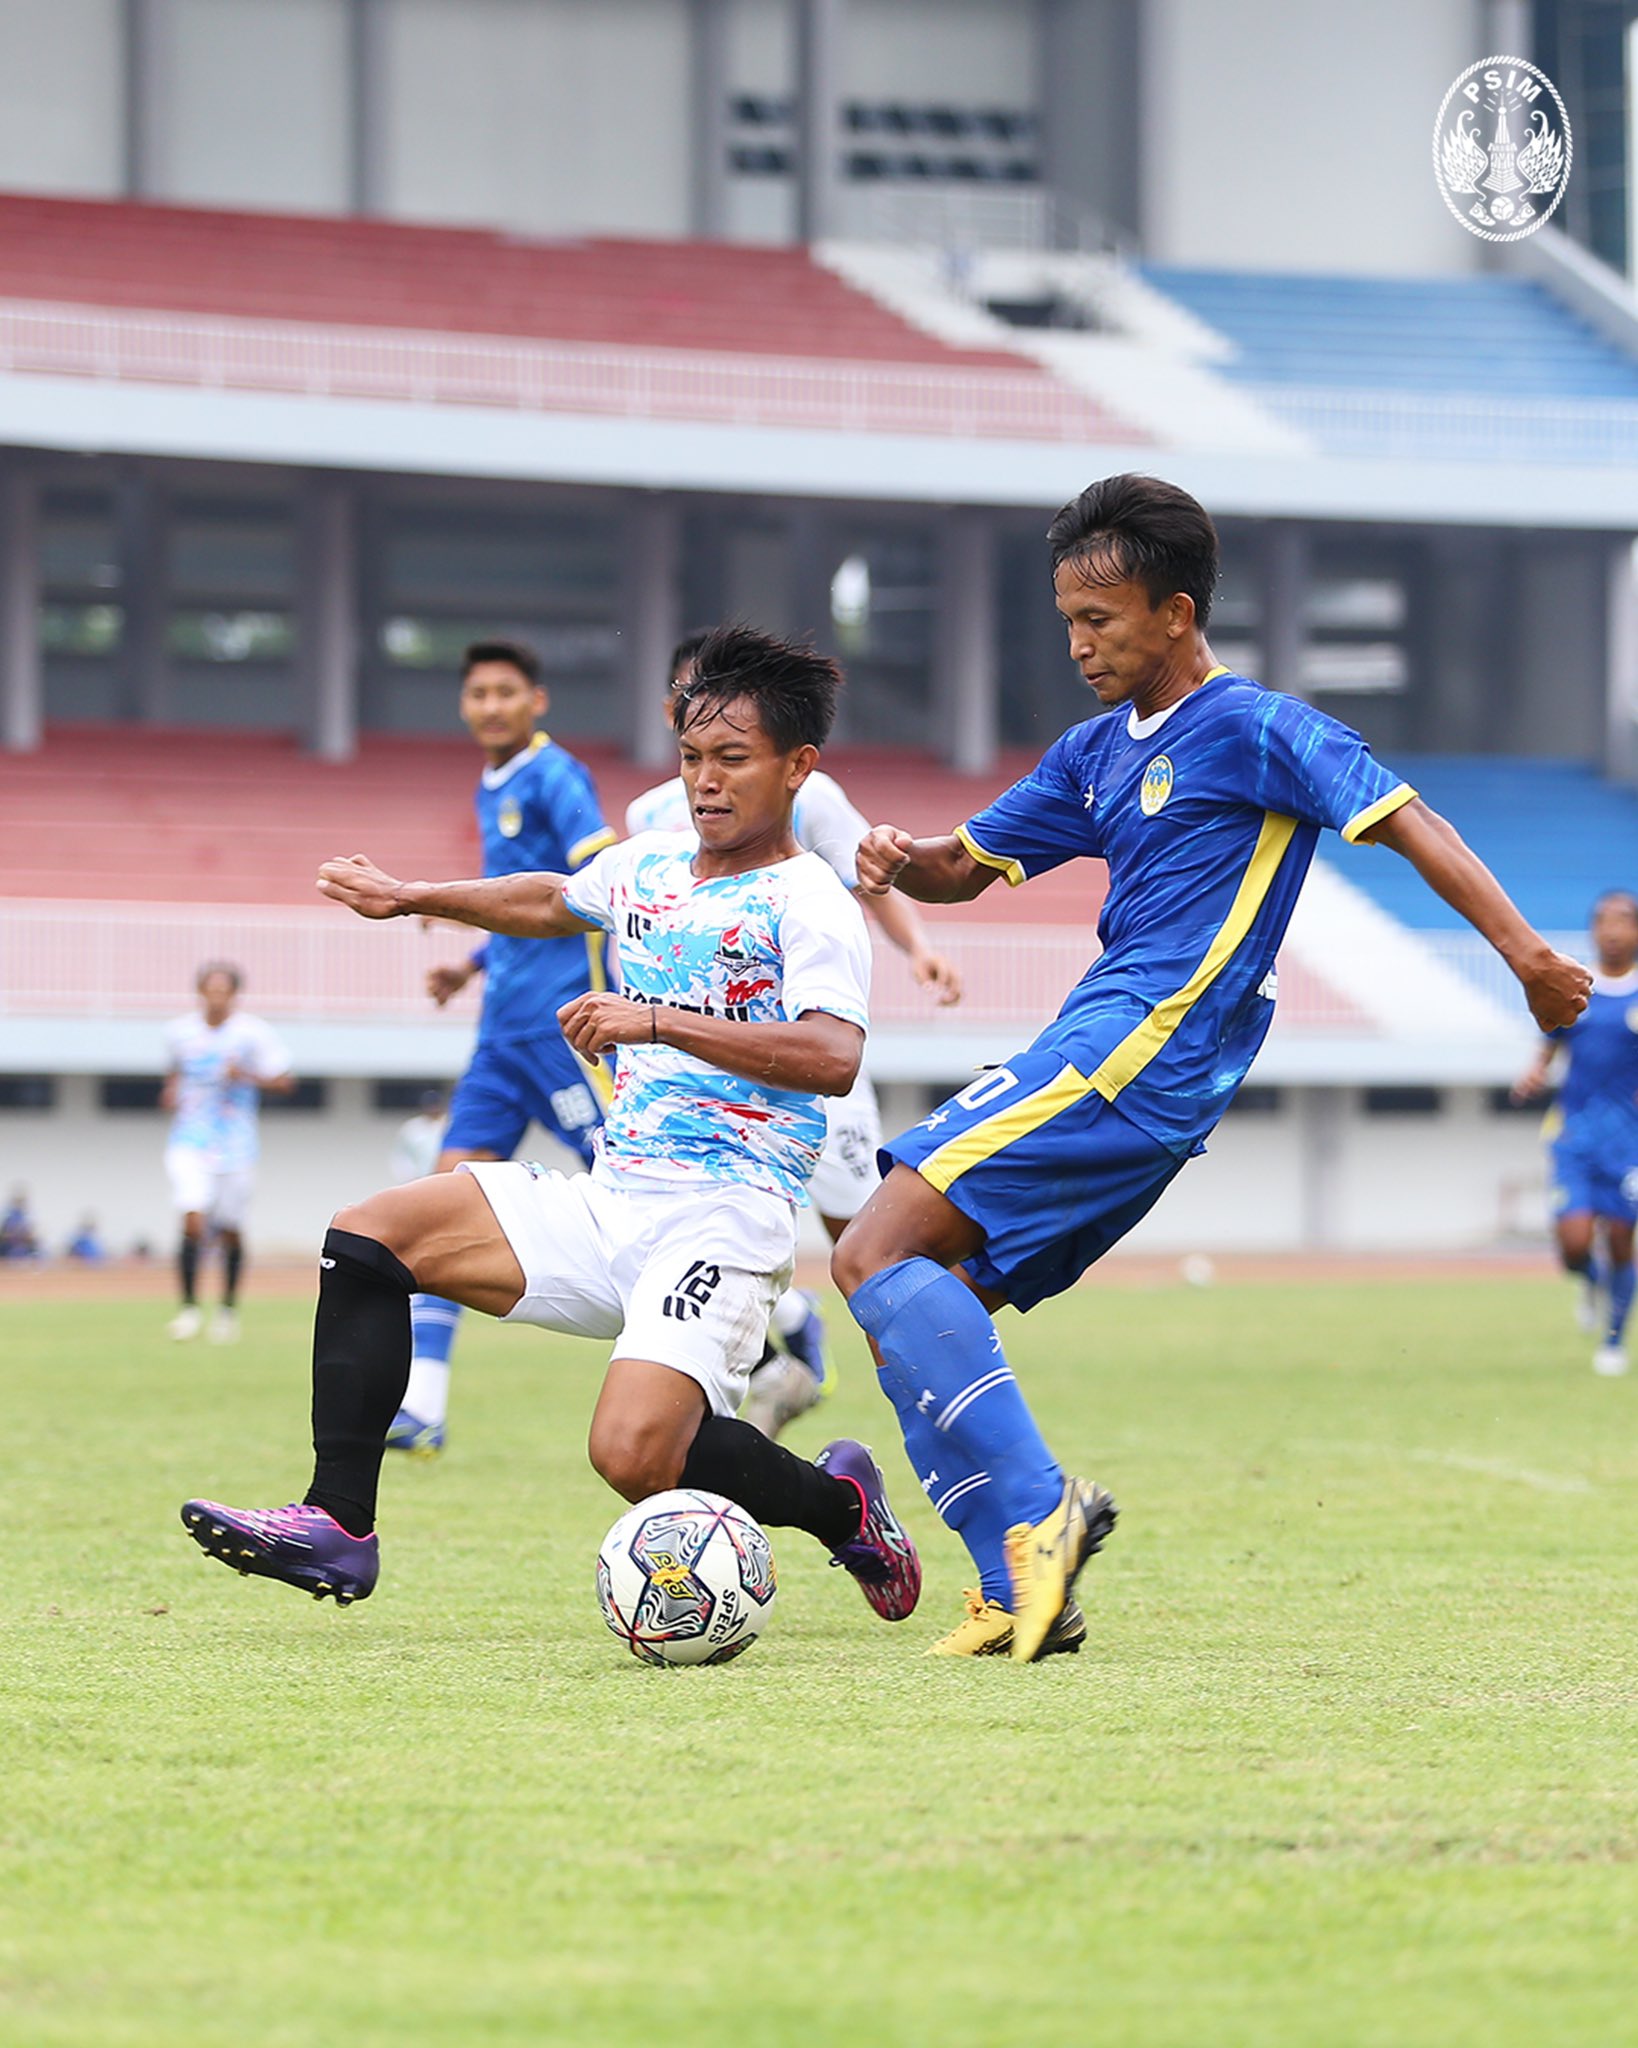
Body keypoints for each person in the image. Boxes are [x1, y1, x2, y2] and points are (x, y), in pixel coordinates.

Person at [830, 472, 1592, 1663]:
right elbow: (959, 868)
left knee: (872, 1245)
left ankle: (1040, 1514)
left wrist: (1531, 959)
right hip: (1132, 1063)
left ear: (1177, 613)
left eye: (1103, 619)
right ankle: (1017, 1591)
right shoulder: (1090, 753)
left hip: (1142, 1045)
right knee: (908, 1304)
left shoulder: (1260, 729)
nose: (1079, 644)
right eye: (1069, 620)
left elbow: (1409, 821)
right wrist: (898, 854)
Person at [180, 624, 921, 1627]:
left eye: (733, 761)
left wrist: (655, 1019)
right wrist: (410, 898)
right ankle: (338, 1524)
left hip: (722, 1220)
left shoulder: (809, 900)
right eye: (694, 758)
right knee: (368, 1235)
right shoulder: (650, 865)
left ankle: (842, 1506)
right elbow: (550, 896)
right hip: (607, 1200)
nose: (706, 782)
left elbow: (834, 1055)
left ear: (797, 768)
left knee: (632, 1453)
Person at [627, 629, 963, 1438]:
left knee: (867, 1245)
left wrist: (918, 949)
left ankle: (933, 1397)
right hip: (702, 1079)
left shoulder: (804, 794)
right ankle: (767, 1364)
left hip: (801, 1061)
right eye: (687, 702)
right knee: (661, 1245)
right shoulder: (647, 816)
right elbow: (634, 918)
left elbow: (867, 875)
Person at [387, 640, 617, 1459]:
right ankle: (421, 1407)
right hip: (499, 1038)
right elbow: (525, 902)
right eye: (478, 693)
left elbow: (595, 884)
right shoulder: (489, 784)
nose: (490, 706)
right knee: (440, 1201)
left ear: (537, 701)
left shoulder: (556, 777)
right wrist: (473, 961)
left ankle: (787, 1326)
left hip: (567, 1035)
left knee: (647, 1192)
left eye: (505, 693)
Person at [1512, 888, 1638, 1376]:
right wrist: (1534, 1071)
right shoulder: (1575, 985)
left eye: (1623, 920)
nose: (1612, 929)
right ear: (1592, 929)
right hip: (1575, 1135)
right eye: (1604, 920)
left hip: (1628, 1142)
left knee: (1624, 1240)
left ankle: (1612, 1343)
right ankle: (1591, 1279)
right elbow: (1551, 1044)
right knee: (1573, 1244)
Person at [162, 964, 295, 1342]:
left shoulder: (253, 1034)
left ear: (234, 994)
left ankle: (227, 1310)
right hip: (190, 1141)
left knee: (230, 1230)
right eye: (210, 990)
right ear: (200, 992)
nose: (216, 997)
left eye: (224, 990)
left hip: (236, 1146)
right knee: (192, 1218)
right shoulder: (179, 1033)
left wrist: (247, 1077)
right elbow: (174, 1072)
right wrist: (170, 1091)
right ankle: (188, 1309)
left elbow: (285, 1081)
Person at [0, 1185, 41, 1260]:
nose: (19, 1204)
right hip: (8, 1248)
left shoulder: (27, 1217)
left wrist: (27, 1236)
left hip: (25, 1248)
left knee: (38, 1251)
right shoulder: (7, 1216)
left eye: (21, 1201)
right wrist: (13, 1235)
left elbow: (32, 1235)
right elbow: (3, 1234)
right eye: (18, 1201)